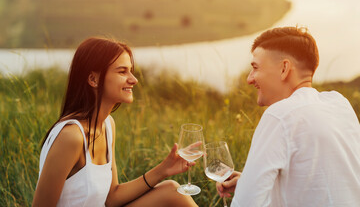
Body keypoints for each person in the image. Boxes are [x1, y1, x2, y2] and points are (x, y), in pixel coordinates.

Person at [32, 37, 198, 207]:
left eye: (130, 71)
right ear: (93, 80)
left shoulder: (107, 125)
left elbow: (112, 197)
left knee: (172, 189)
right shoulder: (71, 137)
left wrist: (164, 169)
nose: (133, 79)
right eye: (122, 71)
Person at [217, 26, 360, 206]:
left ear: (284, 68)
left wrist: (248, 190)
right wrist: (248, 181)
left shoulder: (279, 115)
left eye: (255, 67)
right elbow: (323, 182)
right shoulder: (340, 104)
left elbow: (245, 204)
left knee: (174, 195)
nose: (249, 79)